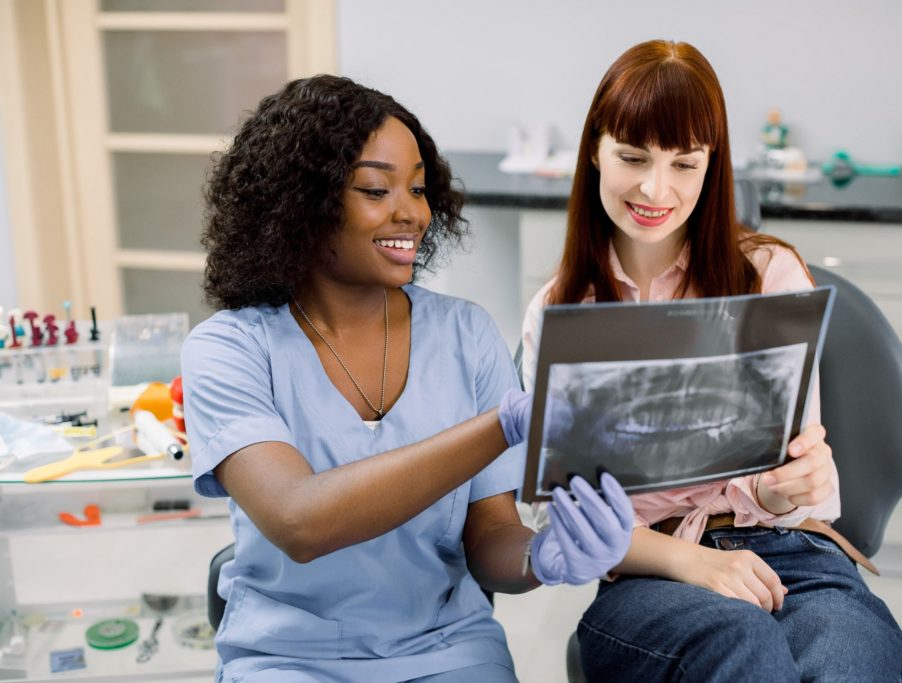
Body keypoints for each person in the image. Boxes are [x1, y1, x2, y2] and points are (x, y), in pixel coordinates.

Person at [181, 74, 635, 683]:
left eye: (419, 188)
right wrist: (498, 428)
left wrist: (540, 558)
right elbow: (299, 521)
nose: (411, 212)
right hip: (288, 658)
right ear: (301, 204)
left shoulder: (467, 335)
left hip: (448, 649)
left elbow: (491, 538)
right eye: (376, 188)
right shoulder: (229, 350)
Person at [521, 41, 902, 681]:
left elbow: (787, 472)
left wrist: (787, 487)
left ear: (712, 166)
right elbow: (563, 516)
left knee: (843, 659)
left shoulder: (768, 275)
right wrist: (695, 564)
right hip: (652, 572)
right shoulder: (562, 308)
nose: (656, 188)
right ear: (594, 149)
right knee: (740, 644)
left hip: (795, 556)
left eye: (684, 163)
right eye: (632, 156)